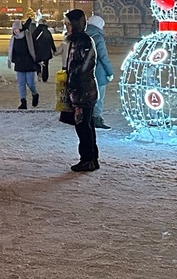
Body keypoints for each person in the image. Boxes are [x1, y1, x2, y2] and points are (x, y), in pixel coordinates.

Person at [63, 9, 99, 173]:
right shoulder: (76, 40)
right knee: (85, 125)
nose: (66, 26)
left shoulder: (83, 41)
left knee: (83, 126)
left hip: (83, 91)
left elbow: (86, 65)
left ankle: (87, 159)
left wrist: (74, 78)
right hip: (80, 90)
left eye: (68, 23)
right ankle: (91, 158)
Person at [85, 14, 115, 130]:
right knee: (99, 96)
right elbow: (103, 57)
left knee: (88, 96)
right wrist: (110, 72)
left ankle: (87, 117)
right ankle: (96, 118)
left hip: (85, 71)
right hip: (98, 72)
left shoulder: (83, 35)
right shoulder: (98, 37)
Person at [7, 18, 40, 109]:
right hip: (19, 63)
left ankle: (35, 94)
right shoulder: (13, 39)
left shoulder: (28, 36)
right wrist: (11, 59)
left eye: (16, 28)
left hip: (29, 63)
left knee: (30, 83)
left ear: (20, 28)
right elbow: (11, 50)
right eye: (13, 29)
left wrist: (37, 59)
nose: (14, 31)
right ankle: (23, 102)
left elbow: (34, 48)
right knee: (21, 84)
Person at [33, 17, 57, 83]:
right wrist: (54, 50)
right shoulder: (47, 32)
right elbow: (51, 41)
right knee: (45, 65)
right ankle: (45, 78)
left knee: (37, 62)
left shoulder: (35, 31)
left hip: (37, 51)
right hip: (46, 51)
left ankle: (38, 73)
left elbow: (32, 40)